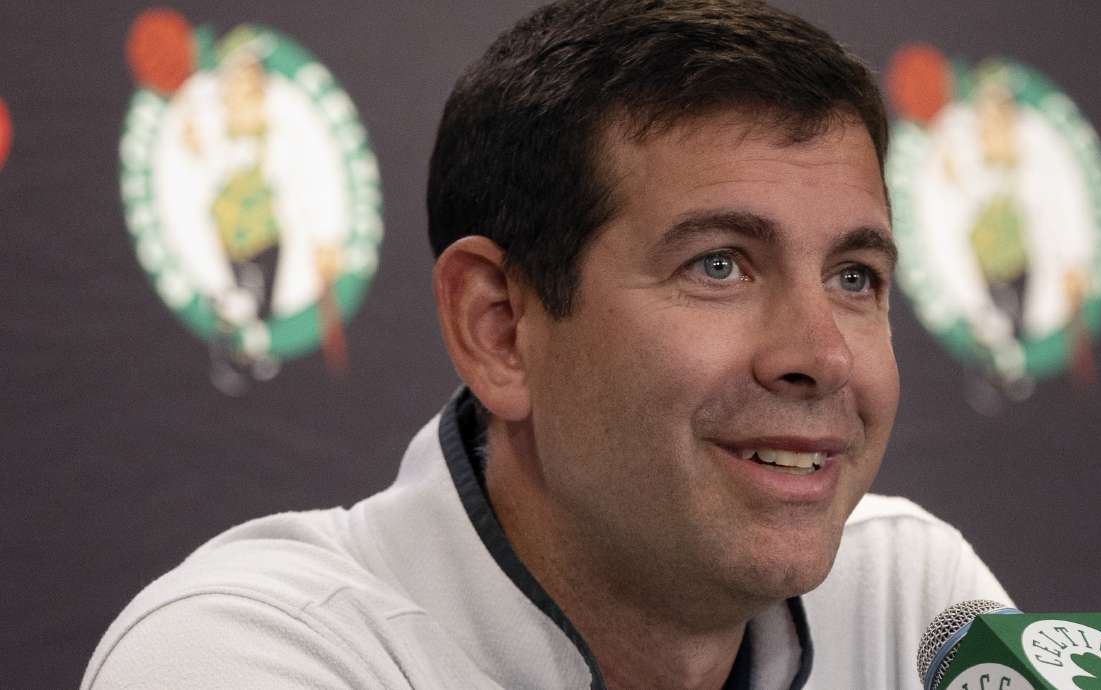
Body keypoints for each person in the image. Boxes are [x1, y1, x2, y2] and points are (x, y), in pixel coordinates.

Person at [84, 1, 1009, 688]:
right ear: (499, 331)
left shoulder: (913, 605)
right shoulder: (243, 653)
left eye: (854, 277)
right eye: (719, 265)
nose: (823, 355)